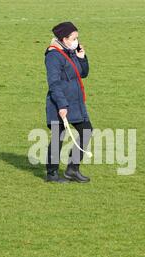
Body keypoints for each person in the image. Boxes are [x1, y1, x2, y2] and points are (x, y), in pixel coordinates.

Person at [44, 22, 93, 183]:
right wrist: (62, 105)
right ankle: (52, 174)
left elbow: (82, 74)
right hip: (60, 103)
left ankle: (73, 169)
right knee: (59, 136)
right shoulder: (53, 56)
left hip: (75, 102)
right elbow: (54, 83)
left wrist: (82, 58)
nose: (76, 41)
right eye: (74, 38)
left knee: (86, 130)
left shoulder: (71, 52)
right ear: (64, 39)